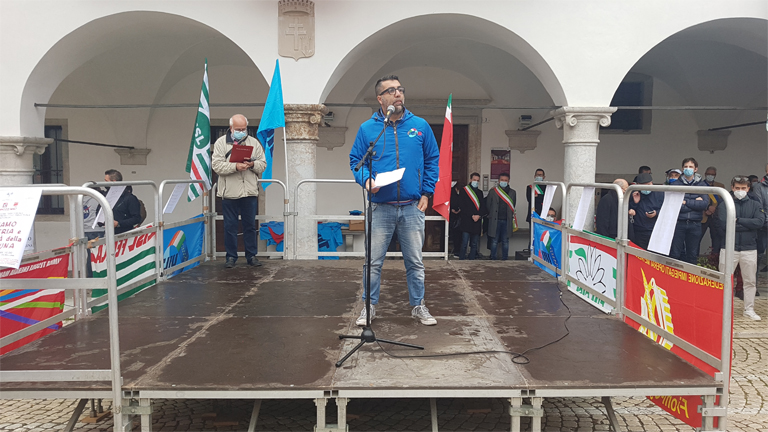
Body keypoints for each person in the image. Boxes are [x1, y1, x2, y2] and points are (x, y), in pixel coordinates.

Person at [349, 74, 439, 326]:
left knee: (415, 263)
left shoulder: (420, 126)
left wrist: (427, 193)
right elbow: (356, 161)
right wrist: (366, 180)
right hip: (380, 208)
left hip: (412, 207)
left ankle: (418, 305)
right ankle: (369, 306)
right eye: (391, 91)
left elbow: (432, 160)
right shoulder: (368, 129)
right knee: (373, 262)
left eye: (400, 89)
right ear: (380, 99)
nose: (398, 94)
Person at [211, 114, 267, 269]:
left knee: (250, 225)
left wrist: (252, 164)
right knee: (230, 226)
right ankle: (231, 257)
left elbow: (263, 165)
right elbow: (217, 166)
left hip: (249, 192)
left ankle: (251, 256)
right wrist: (235, 166)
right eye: (238, 129)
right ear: (231, 128)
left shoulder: (254, 142)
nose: (241, 132)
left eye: (244, 129)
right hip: (229, 192)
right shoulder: (221, 143)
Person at [714, 176, 765, 320]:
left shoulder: (755, 204)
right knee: (725, 280)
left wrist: (738, 220)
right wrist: (748, 225)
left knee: (750, 281)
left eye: (743, 188)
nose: (740, 191)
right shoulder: (725, 204)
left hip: (749, 248)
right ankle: (725, 310)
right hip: (729, 247)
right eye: (737, 188)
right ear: (732, 188)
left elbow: (759, 222)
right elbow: (724, 225)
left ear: (748, 188)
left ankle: (749, 309)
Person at [670, 158, 708, 264]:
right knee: (675, 254)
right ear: (682, 169)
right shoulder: (675, 185)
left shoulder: (702, 185)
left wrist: (685, 202)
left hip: (695, 224)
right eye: (686, 166)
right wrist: (695, 203)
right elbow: (674, 205)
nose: (688, 169)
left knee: (692, 255)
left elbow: (704, 204)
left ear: (696, 169)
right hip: (678, 223)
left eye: (691, 167)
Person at [627, 173, 663, 249]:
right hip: (639, 231)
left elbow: (665, 209)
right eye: (643, 185)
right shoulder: (633, 194)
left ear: (652, 183)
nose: (646, 187)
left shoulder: (660, 193)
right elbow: (629, 210)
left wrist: (656, 213)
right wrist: (635, 203)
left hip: (655, 230)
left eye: (648, 184)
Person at [101, 169, 142, 235]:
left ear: (114, 182)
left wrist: (119, 223)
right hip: (107, 233)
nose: (104, 183)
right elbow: (99, 210)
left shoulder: (129, 198)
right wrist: (102, 221)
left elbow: (137, 218)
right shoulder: (105, 196)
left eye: (106, 181)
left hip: (125, 235)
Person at [486, 172, 516, 260]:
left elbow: (513, 205)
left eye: (506, 180)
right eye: (502, 180)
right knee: (494, 241)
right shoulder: (493, 191)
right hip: (495, 220)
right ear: (499, 181)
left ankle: (505, 259)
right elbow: (488, 205)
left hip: (506, 220)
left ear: (508, 181)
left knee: (505, 241)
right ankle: (493, 258)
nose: (504, 182)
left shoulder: (512, 192)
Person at [458, 172, 487, 260]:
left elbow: (483, 207)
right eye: (474, 180)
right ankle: (461, 260)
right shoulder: (464, 191)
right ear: (470, 180)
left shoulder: (480, 193)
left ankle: (472, 260)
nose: (476, 182)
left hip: (476, 221)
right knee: (464, 243)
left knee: (474, 244)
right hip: (466, 220)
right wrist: (472, 215)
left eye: (478, 180)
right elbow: (462, 205)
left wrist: (479, 215)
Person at [700, 166, 725, 254]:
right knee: (697, 239)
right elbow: (697, 199)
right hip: (703, 216)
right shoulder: (700, 185)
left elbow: (723, 202)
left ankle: (714, 259)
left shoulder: (720, 186)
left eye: (712, 174)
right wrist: (707, 208)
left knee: (716, 240)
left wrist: (714, 209)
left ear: (715, 175)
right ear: (705, 174)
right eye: (708, 174)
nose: (710, 176)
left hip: (715, 217)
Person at [751, 164, 768, 273]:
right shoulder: (759, 187)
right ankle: (754, 279)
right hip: (764, 226)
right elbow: (760, 208)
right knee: (759, 253)